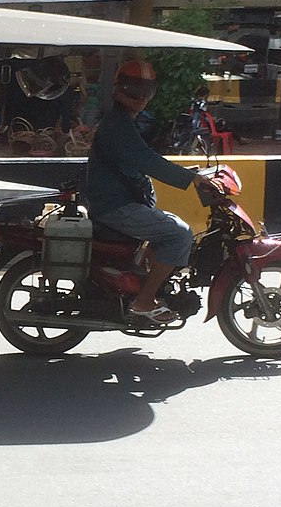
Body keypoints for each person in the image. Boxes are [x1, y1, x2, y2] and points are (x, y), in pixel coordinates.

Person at [85, 60, 213, 324]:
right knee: (178, 234)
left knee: (164, 229)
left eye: (146, 89)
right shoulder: (118, 125)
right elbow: (146, 160)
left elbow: (141, 159)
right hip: (115, 206)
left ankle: (142, 285)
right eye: (133, 88)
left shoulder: (125, 121)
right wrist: (190, 178)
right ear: (118, 89)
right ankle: (144, 302)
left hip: (118, 203)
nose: (140, 96)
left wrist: (188, 172)